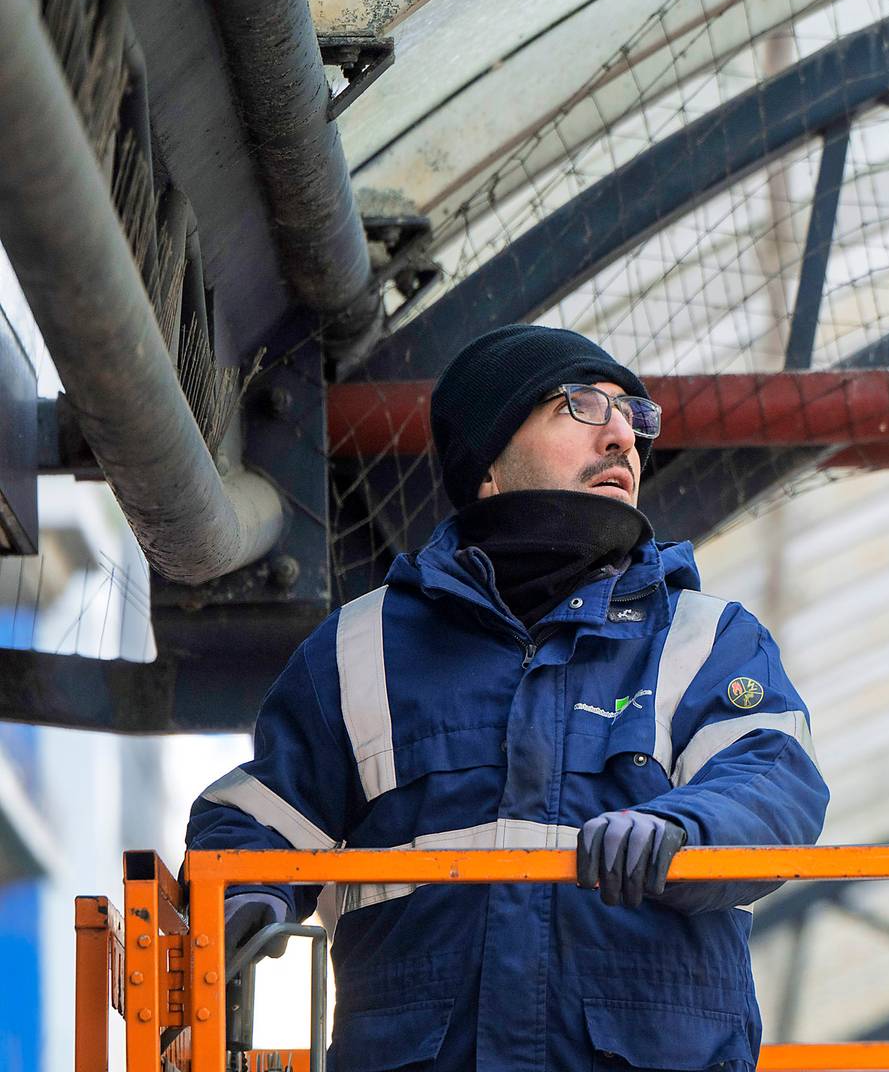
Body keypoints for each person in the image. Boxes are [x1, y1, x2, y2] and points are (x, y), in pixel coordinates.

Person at [185, 324, 830, 1071]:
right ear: (488, 462)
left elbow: (773, 781)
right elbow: (256, 817)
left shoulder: (705, 639)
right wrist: (242, 895)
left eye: (632, 415)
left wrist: (684, 824)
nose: (622, 435)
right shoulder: (361, 650)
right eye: (582, 407)